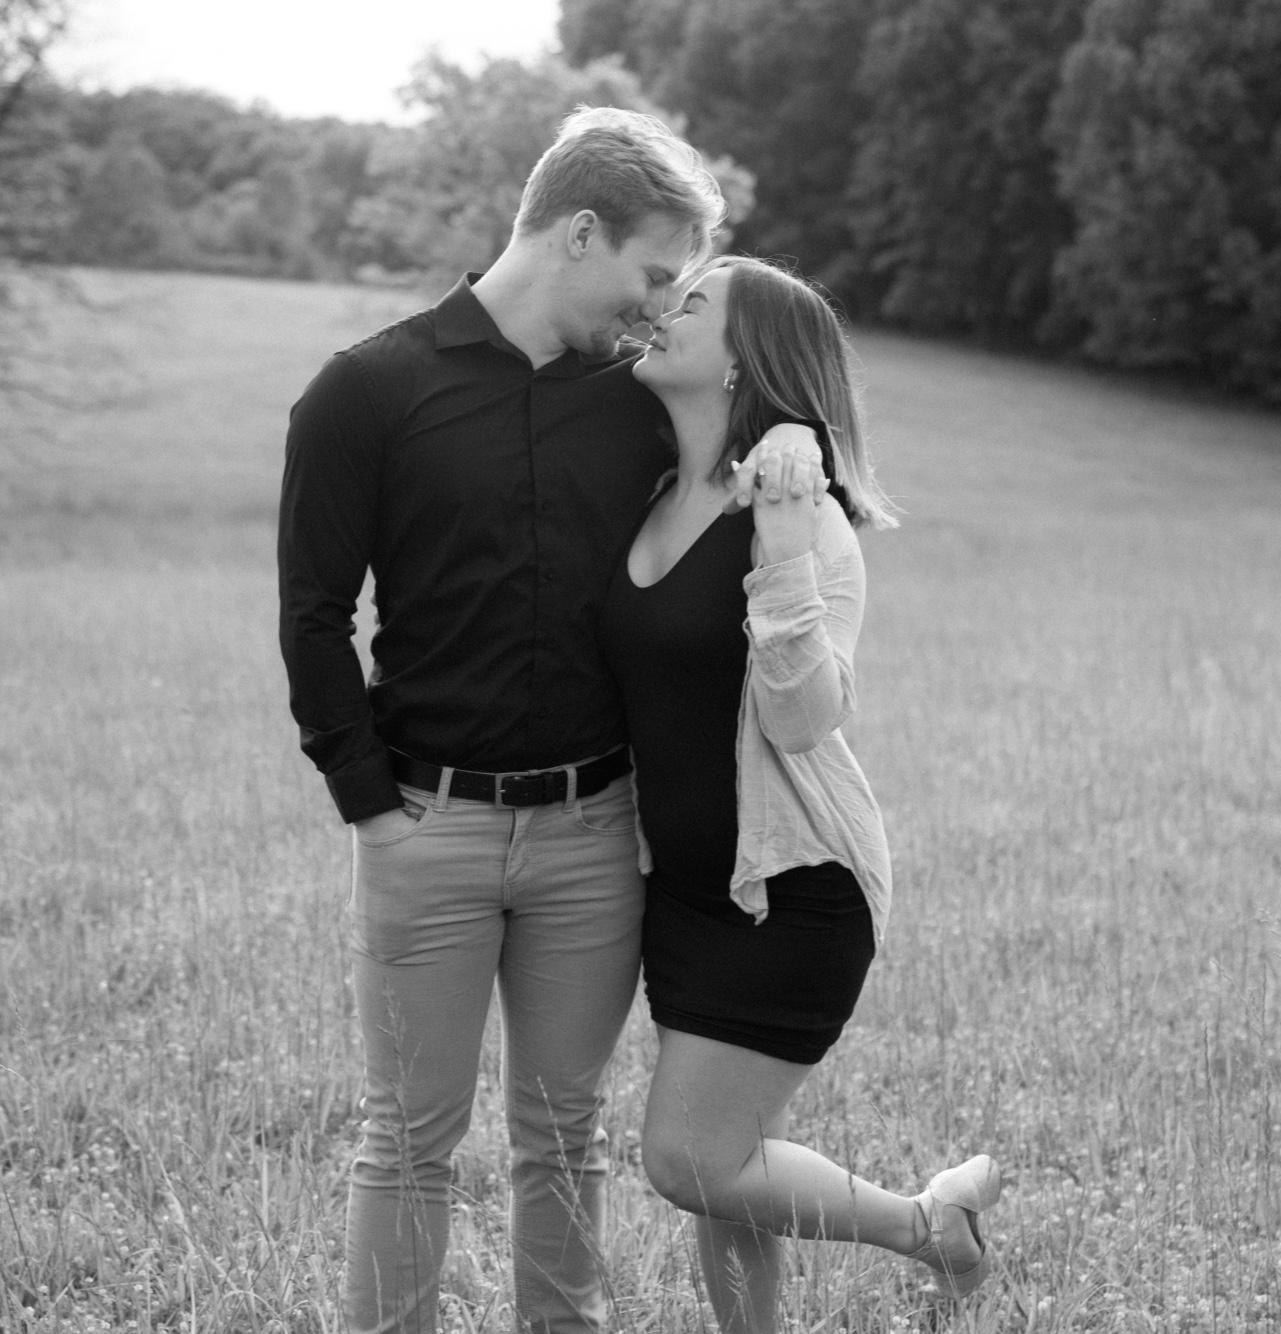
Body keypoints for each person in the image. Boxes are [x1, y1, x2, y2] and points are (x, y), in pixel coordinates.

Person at [277, 109, 823, 1334]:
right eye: (651, 274)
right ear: (579, 232)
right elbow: (313, 614)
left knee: (564, 1134)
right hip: (425, 823)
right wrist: (374, 808)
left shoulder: (633, 400)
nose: (656, 311)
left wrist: (789, 435)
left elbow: (741, 440)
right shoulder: (366, 390)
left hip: (592, 836)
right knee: (406, 1138)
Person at [597, 255, 1002, 1334]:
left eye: (692, 303)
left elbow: (802, 717)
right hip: (686, 890)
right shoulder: (651, 488)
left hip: (794, 887)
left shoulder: (802, 518)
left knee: (690, 1159)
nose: (662, 310)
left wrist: (778, 552)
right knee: (734, 1167)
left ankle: (930, 1224)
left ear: (745, 360)